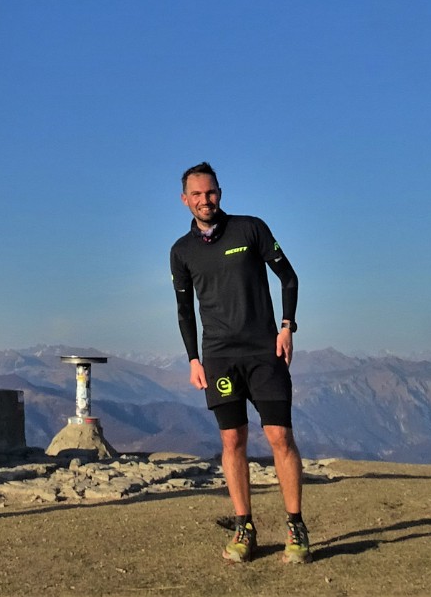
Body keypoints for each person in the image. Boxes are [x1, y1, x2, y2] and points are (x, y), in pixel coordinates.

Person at [169, 162, 311, 565]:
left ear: (220, 192)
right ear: (185, 200)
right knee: (232, 441)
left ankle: (296, 527)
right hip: (218, 358)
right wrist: (193, 359)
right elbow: (184, 311)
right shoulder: (181, 251)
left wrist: (287, 327)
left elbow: (289, 277)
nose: (204, 200)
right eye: (196, 194)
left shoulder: (251, 229)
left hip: (264, 353)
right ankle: (244, 527)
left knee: (280, 436)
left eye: (210, 192)